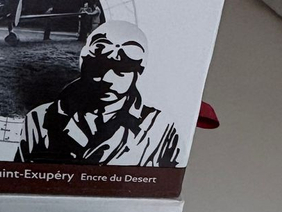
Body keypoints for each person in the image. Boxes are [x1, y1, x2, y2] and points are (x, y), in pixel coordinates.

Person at [15, 20, 179, 167]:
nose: (107, 79)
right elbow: (19, 181)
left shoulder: (160, 128)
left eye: (121, 71)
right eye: (98, 68)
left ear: (138, 73)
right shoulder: (39, 119)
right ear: (83, 64)